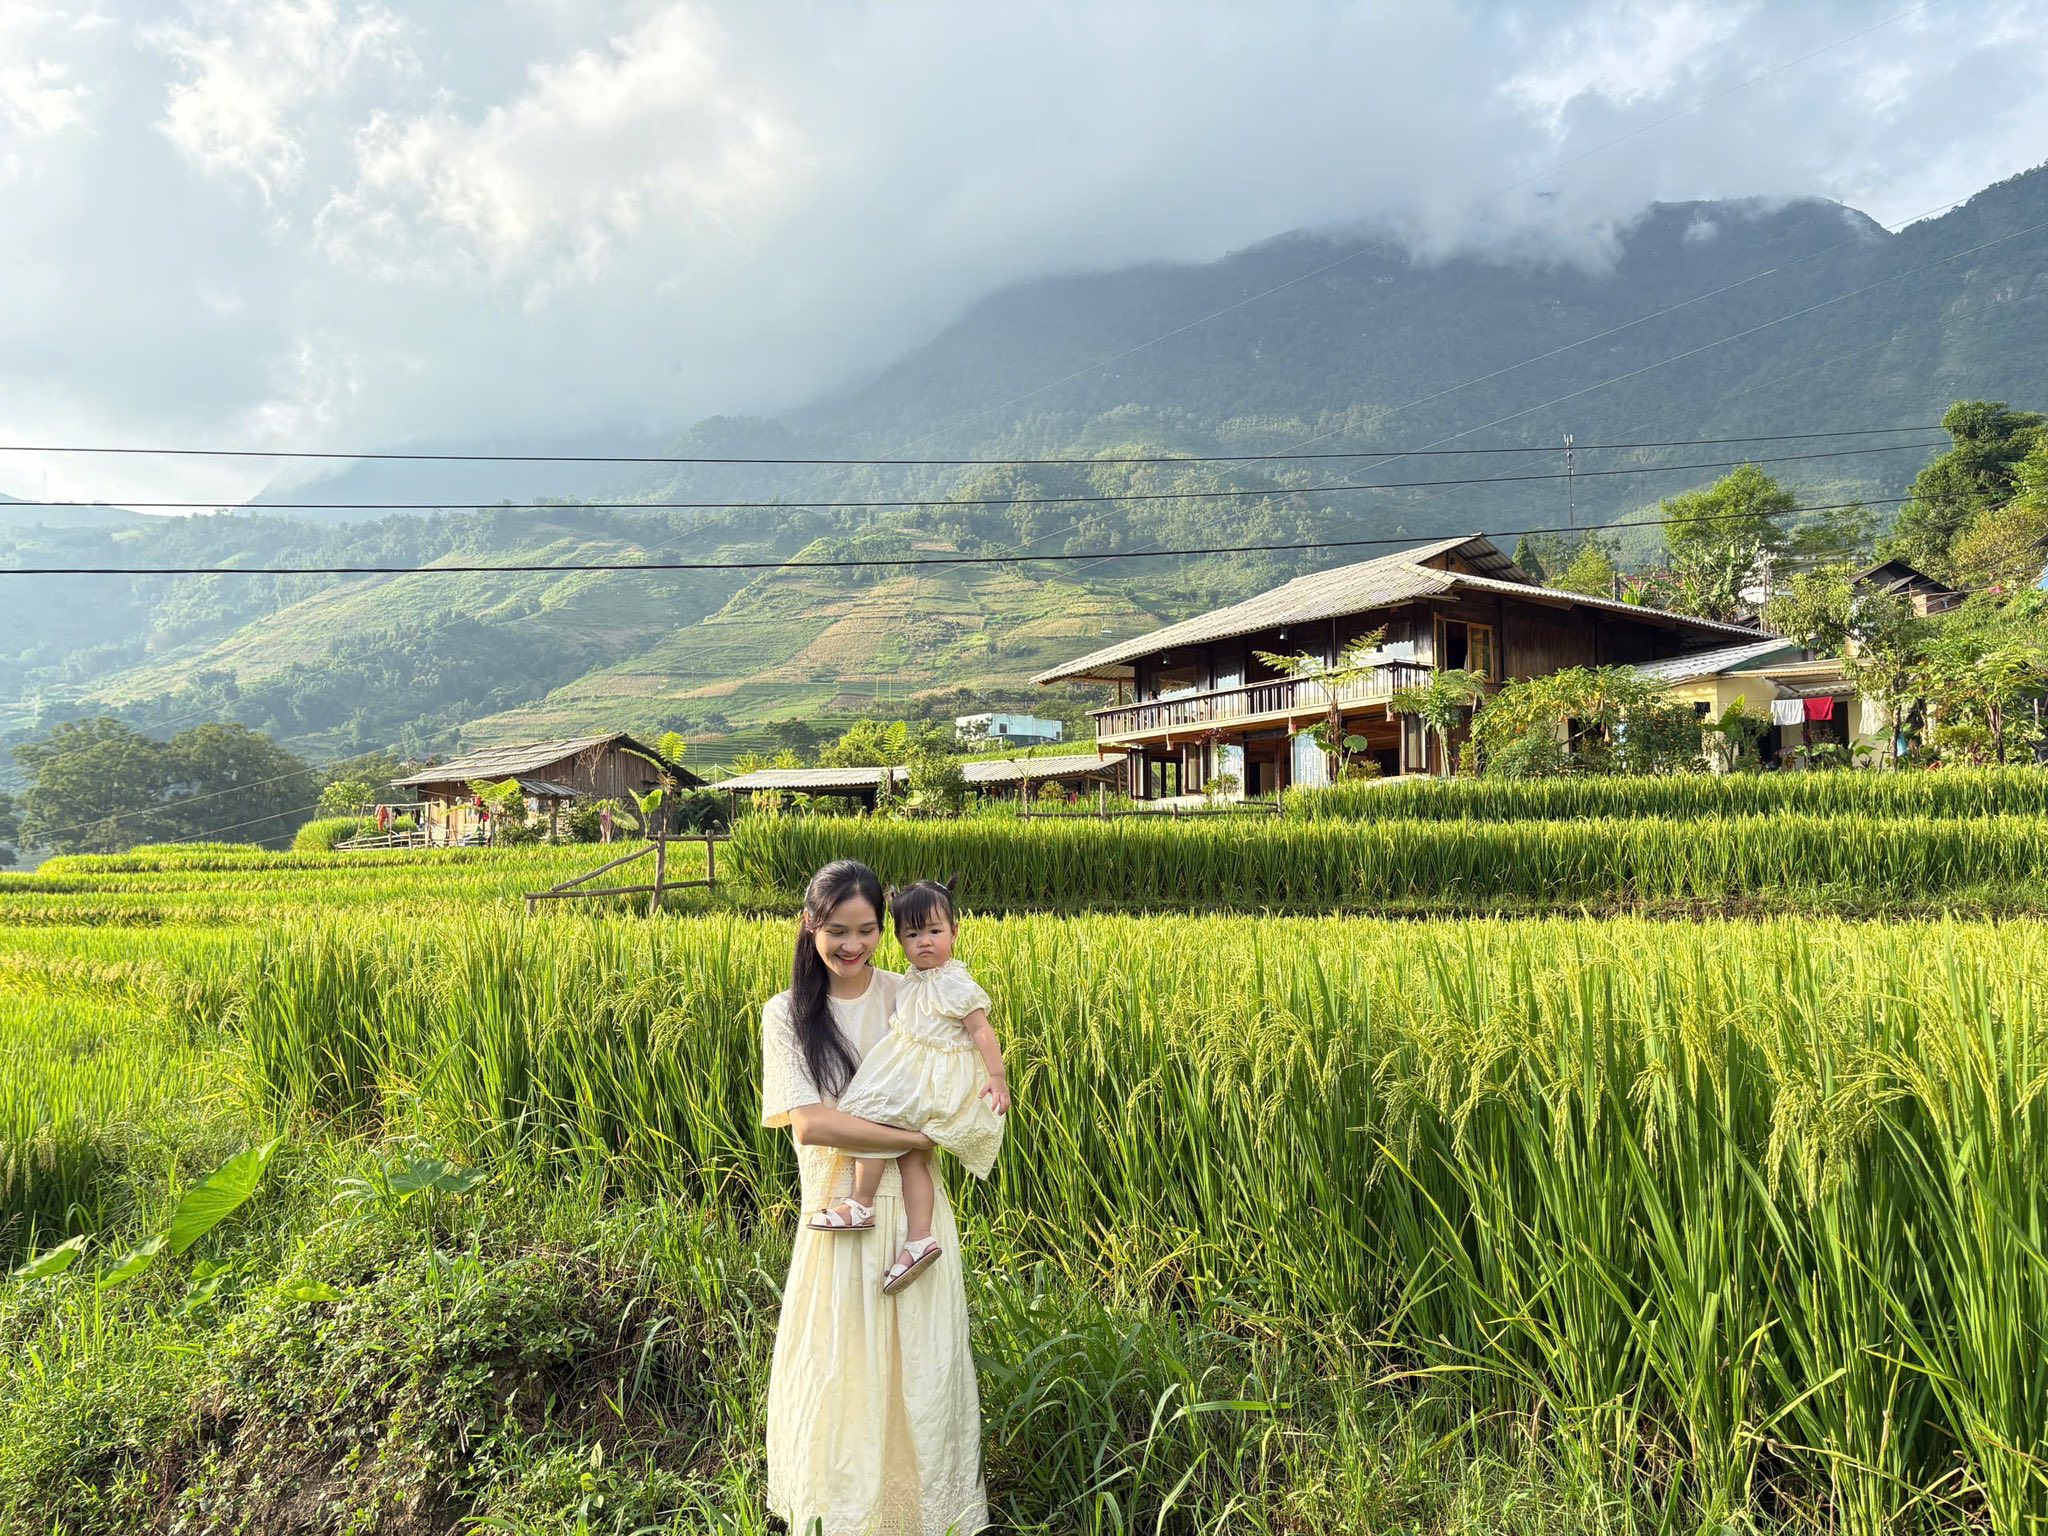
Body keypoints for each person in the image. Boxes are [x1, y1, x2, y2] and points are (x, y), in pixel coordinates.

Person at [760, 860, 989, 1534]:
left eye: (866, 931)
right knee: (841, 1377)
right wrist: (913, 1132)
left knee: (917, 1374)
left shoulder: (908, 996)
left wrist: (926, 1127)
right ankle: (839, 1518)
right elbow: (811, 1124)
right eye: (837, 931)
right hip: (836, 1216)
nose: (852, 945)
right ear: (811, 925)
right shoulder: (787, 1014)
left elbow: (955, 1085)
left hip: (911, 1219)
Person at [812, 879, 1008, 1296]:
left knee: (869, 1112)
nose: (924, 943)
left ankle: (861, 1203)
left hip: (928, 1077)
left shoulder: (952, 982)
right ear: (897, 939)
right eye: (912, 934)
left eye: (934, 932)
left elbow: (982, 1030)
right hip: (917, 1072)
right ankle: (920, 1238)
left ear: (955, 933)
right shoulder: (913, 980)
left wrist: (997, 1078)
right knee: (911, 1159)